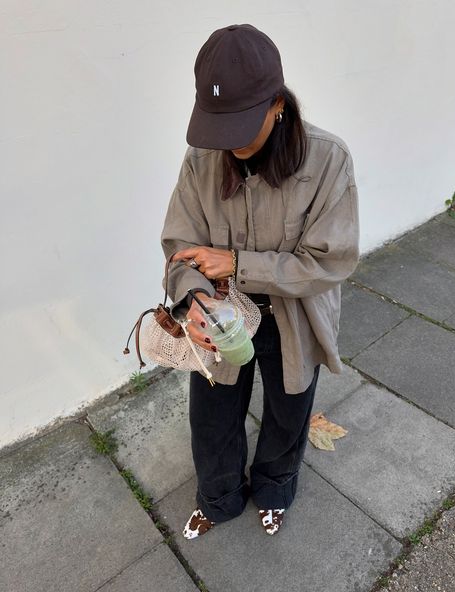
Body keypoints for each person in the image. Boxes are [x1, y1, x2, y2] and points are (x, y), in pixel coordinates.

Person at [160, 24, 360, 539]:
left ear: (278, 104)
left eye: (242, 124)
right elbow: (180, 244)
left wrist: (237, 263)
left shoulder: (328, 159)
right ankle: (219, 497)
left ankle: (274, 489)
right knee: (211, 416)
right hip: (222, 319)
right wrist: (196, 299)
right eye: (218, 125)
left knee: (289, 413)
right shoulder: (203, 157)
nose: (229, 142)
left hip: (296, 314)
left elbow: (330, 261)